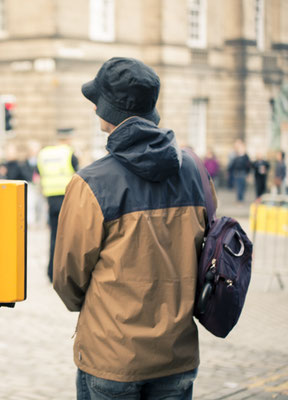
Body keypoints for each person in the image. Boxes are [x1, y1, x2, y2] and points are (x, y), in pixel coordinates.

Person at [53, 57, 214, 399]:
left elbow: (68, 277)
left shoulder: (91, 182)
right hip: (176, 352)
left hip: (112, 353)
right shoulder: (196, 172)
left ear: (105, 110)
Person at [36, 127, 79, 282]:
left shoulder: (44, 154)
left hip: (50, 199)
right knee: (69, 236)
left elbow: (40, 175)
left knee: (54, 236)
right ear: (68, 138)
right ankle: (66, 272)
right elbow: (78, 176)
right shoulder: (69, 153)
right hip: (67, 200)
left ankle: (51, 272)